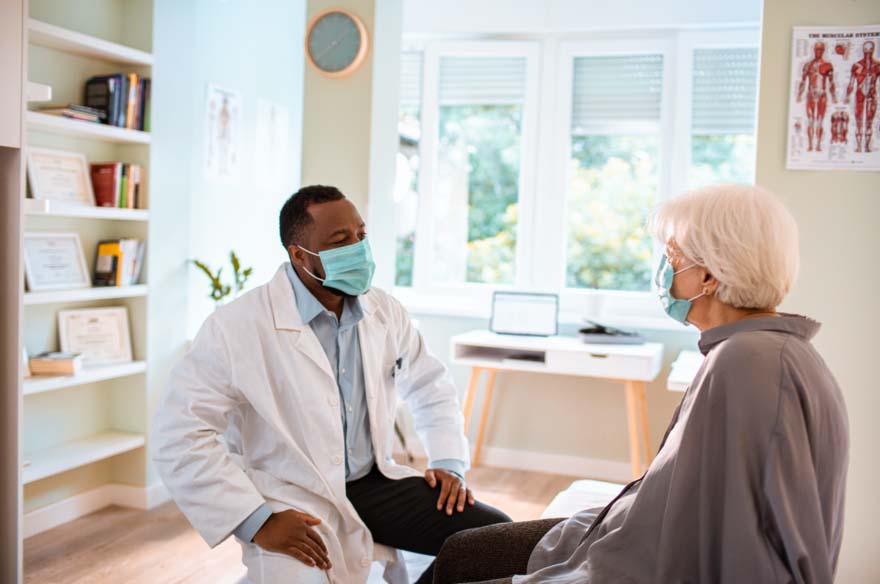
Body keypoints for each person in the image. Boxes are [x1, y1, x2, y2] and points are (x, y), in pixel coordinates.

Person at [432, 184, 849, 584]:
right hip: (636, 533)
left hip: (643, 563)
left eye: (672, 257)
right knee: (462, 551)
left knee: (460, 559)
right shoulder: (761, 350)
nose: (665, 272)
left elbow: (743, 544)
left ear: (708, 277)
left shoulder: (748, 363)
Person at [152, 185, 511, 584]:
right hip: (293, 495)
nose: (358, 248)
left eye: (361, 235)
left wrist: (448, 462)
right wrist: (257, 520)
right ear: (300, 255)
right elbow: (179, 435)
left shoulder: (384, 311)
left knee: (498, 542)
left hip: (375, 485)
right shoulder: (235, 327)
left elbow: (430, 385)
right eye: (340, 241)